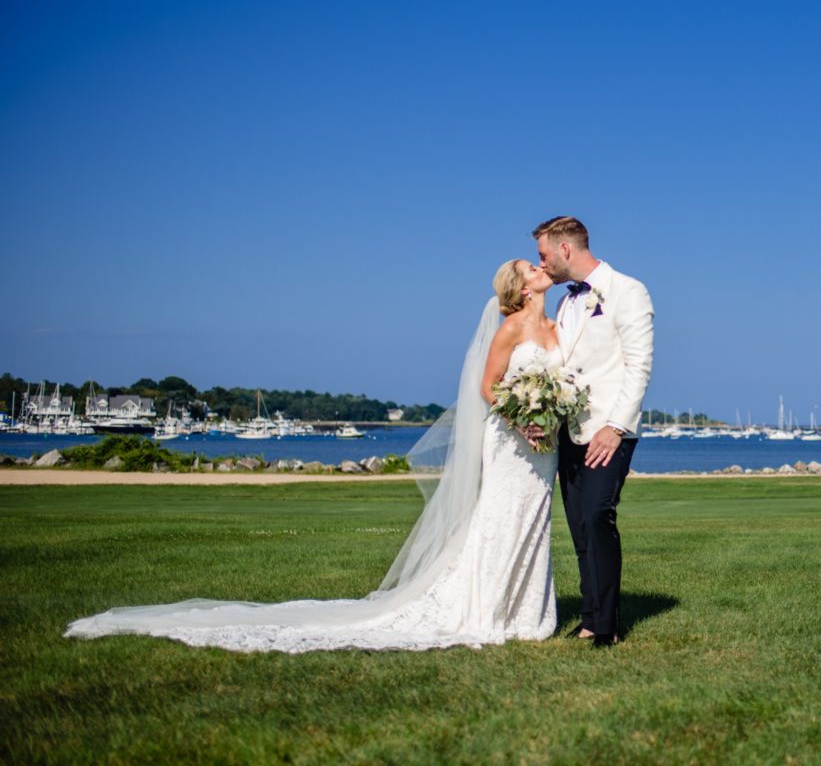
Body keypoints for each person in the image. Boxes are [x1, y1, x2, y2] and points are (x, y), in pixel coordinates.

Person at [64, 260, 565, 653]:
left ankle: (525, 612)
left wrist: (551, 414)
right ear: (521, 288)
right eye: (531, 268)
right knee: (500, 518)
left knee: (534, 519)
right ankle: (487, 610)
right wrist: (524, 418)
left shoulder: (558, 328)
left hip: (544, 449)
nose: (541, 270)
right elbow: (486, 386)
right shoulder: (511, 330)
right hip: (513, 442)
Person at [533, 216, 654, 648]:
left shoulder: (628, 290)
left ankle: (607, 627)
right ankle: (589, 617)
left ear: (565, 250)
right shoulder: (566, 303)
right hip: (568, 430)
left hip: (609, 430)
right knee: (580, 527)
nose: (541, 263)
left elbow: (638, 366)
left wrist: (615, 427)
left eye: (543, 254)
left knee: (599, 516)